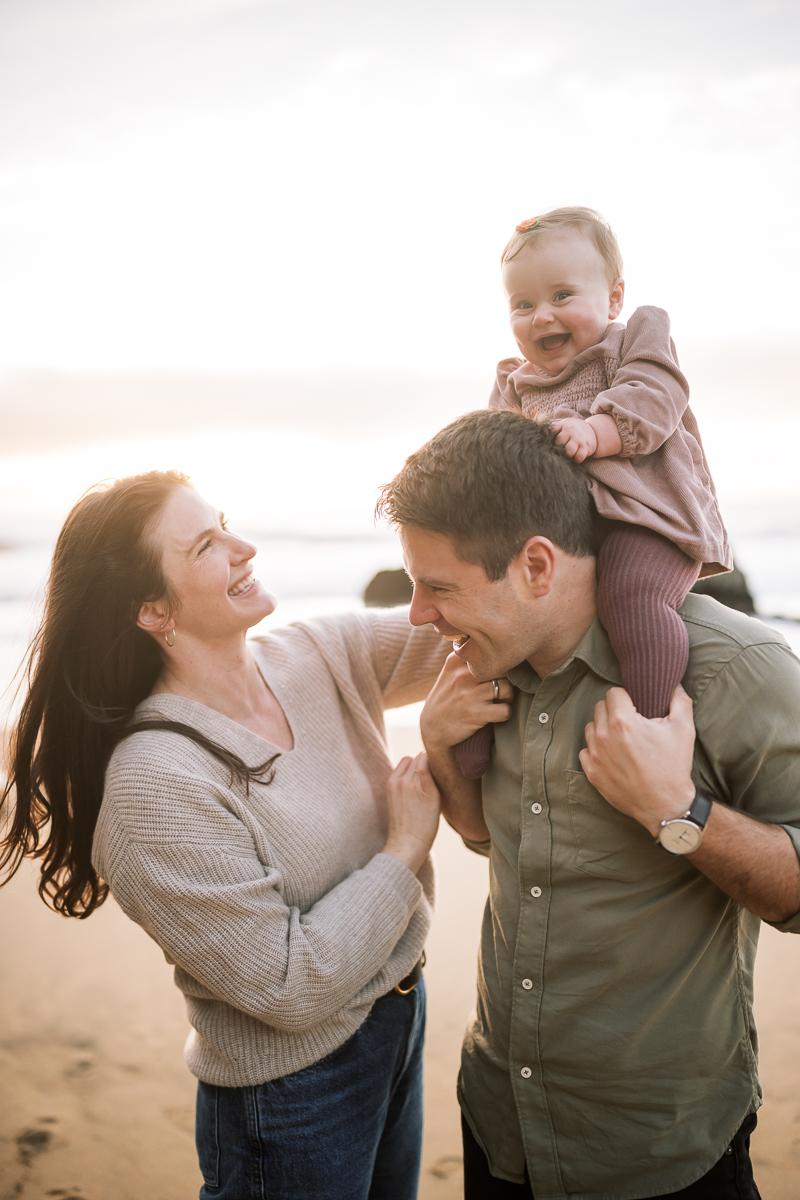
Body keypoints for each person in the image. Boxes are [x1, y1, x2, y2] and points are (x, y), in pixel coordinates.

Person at [377, 409, 800, 1200]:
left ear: (538, 565)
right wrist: (440, 750)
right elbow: (491, 843)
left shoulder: (734, 668)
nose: (418, 616)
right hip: (500, 1125)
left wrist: (677, 810)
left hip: (656, 1147)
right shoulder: (481, 673)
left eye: (437, 586)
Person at [0, 469, 449, 1200]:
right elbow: (287, 987)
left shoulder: (314, 654)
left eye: (227, 524)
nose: (245, 547)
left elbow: (474, 623)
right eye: (208, 545)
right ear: (152, 610)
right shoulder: (156, 784)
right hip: (295, 1094)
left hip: (399, 1017)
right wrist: (403, 850)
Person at [455, 206, 730, 778]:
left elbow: (656, 397)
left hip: (645, 516)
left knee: (631, 596)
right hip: (565, 531)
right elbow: (492, 452)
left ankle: (650, 724)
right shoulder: (514, 382)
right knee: (492, 602)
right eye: (523, 304)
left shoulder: (635, 340)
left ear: (612, 298)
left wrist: (597, 431)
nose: (542, 316)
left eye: (561, 295)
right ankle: (473, 727)